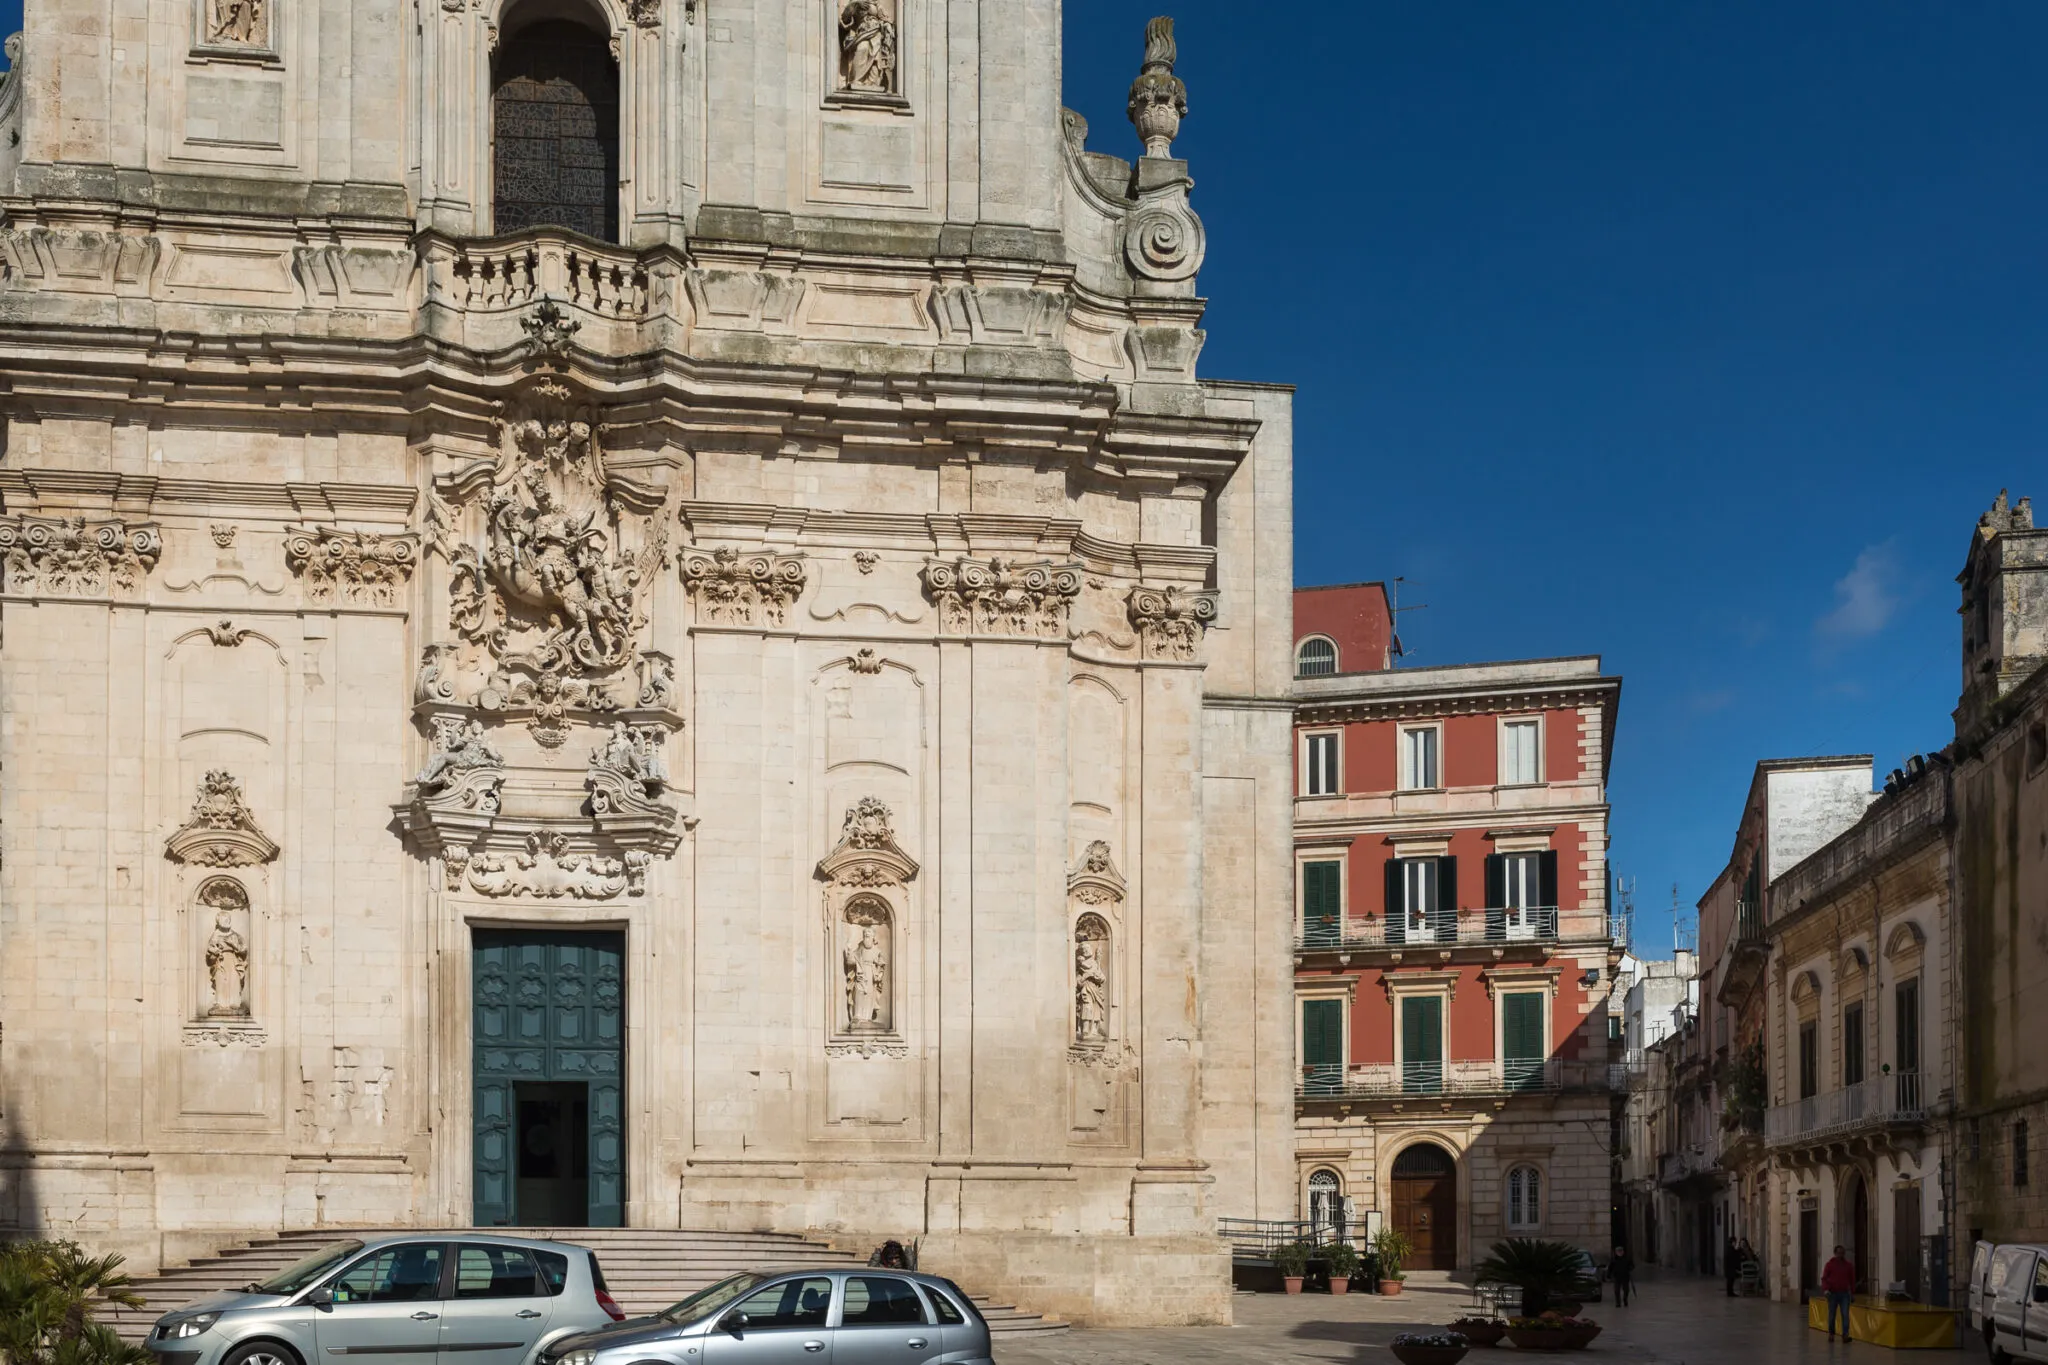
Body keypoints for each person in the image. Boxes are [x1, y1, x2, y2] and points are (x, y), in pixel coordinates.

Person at [1821, 1245, 1857, 1342]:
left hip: (1844, 1294)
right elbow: (1824, 1278)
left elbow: (1852, 1280)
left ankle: (1845, 1334)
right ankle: (1831, 1333)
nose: (1840, 1255)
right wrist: (1826, 1289)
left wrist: (1852, 1293)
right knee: (1832, 1315)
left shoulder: (1848, 1266)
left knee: (1845, 1314)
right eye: (1838, 1253)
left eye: (1842, 1253)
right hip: (1832, 1294)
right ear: (1835, 1253)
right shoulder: (1829, 1265)